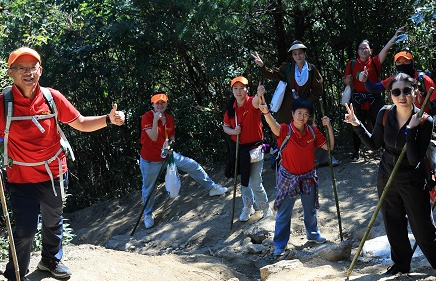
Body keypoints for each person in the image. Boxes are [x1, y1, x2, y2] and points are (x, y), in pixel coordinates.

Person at [0, 47, 126, 281]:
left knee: (53, 220)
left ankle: (50, 261)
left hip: (55, 173)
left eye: (32, 67)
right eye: (21, 68)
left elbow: (79, 122)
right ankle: (16, 278)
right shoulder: (0, 105)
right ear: (11, 73)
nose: (28, 72)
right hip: (21, 179)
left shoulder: (51, 98)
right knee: (24, 230)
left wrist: (108, 119)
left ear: (40, 71)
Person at [345, 73, 436, 277]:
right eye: (396, 92)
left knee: (422, 225)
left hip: (412, 177)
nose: (401, 95)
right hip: (386, 174)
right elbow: (374, 145)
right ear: (390, 95)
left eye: (406, 91)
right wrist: (356, 124)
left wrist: (411, 129)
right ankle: (401, 264)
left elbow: (414, 158)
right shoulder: (385, 113)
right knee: (392, 221)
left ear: (415, 92)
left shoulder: (424, 120)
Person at [259, 97, 334, 256]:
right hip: (288, 177)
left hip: (308, 176)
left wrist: (329, 127)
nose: (302, 117)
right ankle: (279, 244)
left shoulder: (313, 131)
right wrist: (266, 111)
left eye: (306, 114)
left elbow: (329, 147)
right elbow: (273, 124)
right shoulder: (285, 130)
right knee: (284, 213)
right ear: (292, 114)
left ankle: (312, 234)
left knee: (310, 209)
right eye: (299, 113)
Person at [140, 92, 227, 230]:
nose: (160, 105)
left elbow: (172, 136)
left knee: (192, 165)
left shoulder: (169, 118)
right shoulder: (147, 117)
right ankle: (148, 214)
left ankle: (211, 188)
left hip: (167, 156)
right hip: (150, 161)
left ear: (167, 103)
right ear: (152, 105)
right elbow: (153, 137)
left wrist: (170, 145)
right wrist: (156, 120)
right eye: (157, 103)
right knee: (149, 189)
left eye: (163, 102)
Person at [252, 41, 337, 167]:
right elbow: (273, 74)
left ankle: (320, 158)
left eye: (300, 53)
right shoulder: (288, 68)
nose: (298, 56)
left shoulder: (312, 69)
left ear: (304, 54)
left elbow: (318, 90)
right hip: (288, 108)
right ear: (292, 56)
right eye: (295, 54)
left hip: (305, 109)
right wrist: (262, 66)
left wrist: (306, 102)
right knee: (284, 132)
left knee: (308, 132)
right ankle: (285, 160)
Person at [344, 28, 404, 161]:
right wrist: (347, 80)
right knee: (356, 123)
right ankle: (356, 151)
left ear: (370, 50)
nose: (364, 50)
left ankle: (383, 147)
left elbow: (386, 50)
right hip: (358, 98)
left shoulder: (375, 61)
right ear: (357, 51)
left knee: (380, 122)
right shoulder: (352, 64)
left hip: (374, 98)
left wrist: (394, 37)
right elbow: (346, 79)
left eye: (366, 48)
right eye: (361, 48)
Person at [222, 76, 272, 222]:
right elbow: (225, 126)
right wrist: (233, 132)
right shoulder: (230, 109)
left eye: (241, 88)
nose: (238, 91)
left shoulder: (251, 102)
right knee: (244, 181)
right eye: (235, 88)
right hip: (240, 150)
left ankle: (265, 208)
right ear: (232, 90)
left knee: (256, 182)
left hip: (256, 148)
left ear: (247, 90)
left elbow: (257, 101)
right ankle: (248, 207)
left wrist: (259, 93)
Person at [361, 51, 436, 115]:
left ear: (412, 63)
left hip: (422, 119)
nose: (402, 64)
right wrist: (366, 79)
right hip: (402, 119)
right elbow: (374, 88)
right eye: (399, 62)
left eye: (406, 61)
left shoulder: (423, 79)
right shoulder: (394, 80)